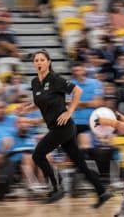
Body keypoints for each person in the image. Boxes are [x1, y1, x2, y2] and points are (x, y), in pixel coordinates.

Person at [16, 50, 111, 207]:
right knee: (80, 164)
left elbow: (77, 91)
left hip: (63, 127)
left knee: (38, 155)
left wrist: (69, 112)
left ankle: (57, 185)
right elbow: (40, 103)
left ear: (49, 62)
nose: (39, 62)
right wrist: (25, 109)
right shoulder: (34, 82)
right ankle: (102, 191)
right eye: (36, 60)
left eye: (42, 60)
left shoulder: (55, 79)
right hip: (56, 128)